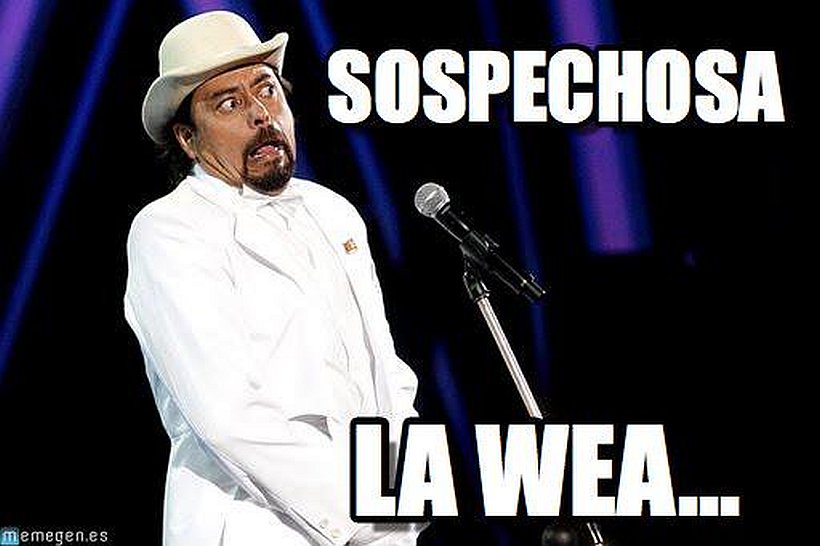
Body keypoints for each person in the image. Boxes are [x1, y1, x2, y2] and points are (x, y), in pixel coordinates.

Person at [125, 11, 423, 546]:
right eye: (229, 103)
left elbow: (385, 371)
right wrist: (363, 518)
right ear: (188, 139)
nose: (261, 114)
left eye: (267, 90)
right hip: (252, 527)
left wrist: (407, 503)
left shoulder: (333, 211)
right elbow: (228, 416)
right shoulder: (168, 230)